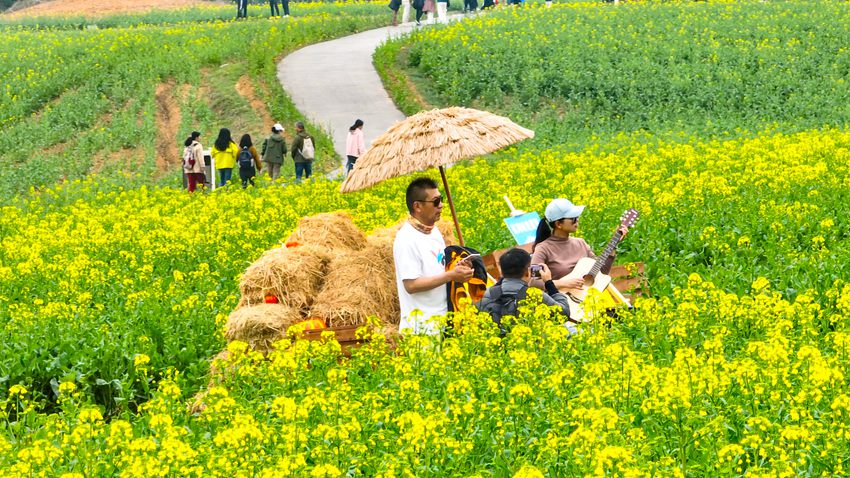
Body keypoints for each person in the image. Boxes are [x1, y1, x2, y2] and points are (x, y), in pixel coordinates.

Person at [394, 177, 474, 335]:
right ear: (417, 206)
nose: (441, 205)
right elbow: (411, 285)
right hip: (422, 330)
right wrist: (451, 275)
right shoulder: (406, 239)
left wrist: (457, 267)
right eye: (436, 201)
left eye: (441, 199)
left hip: (445, 322)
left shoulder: (434, 231)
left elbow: (437, 267)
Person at [531, 198, 628, 290]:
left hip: (585, 300)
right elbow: (533, 282)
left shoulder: (580, 243)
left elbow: (601, 272)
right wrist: (563, 283)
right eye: (573, 218)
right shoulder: (542, 248)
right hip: (560, 301)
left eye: (577, 217)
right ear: (558, 224)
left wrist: (614, 244)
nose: (577, 220)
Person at [477, 248, 574, 333]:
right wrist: (549, 282)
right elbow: (564, 314)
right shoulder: (534, 295)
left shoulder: (483, 295)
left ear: (502, 272)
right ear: (528, 272)